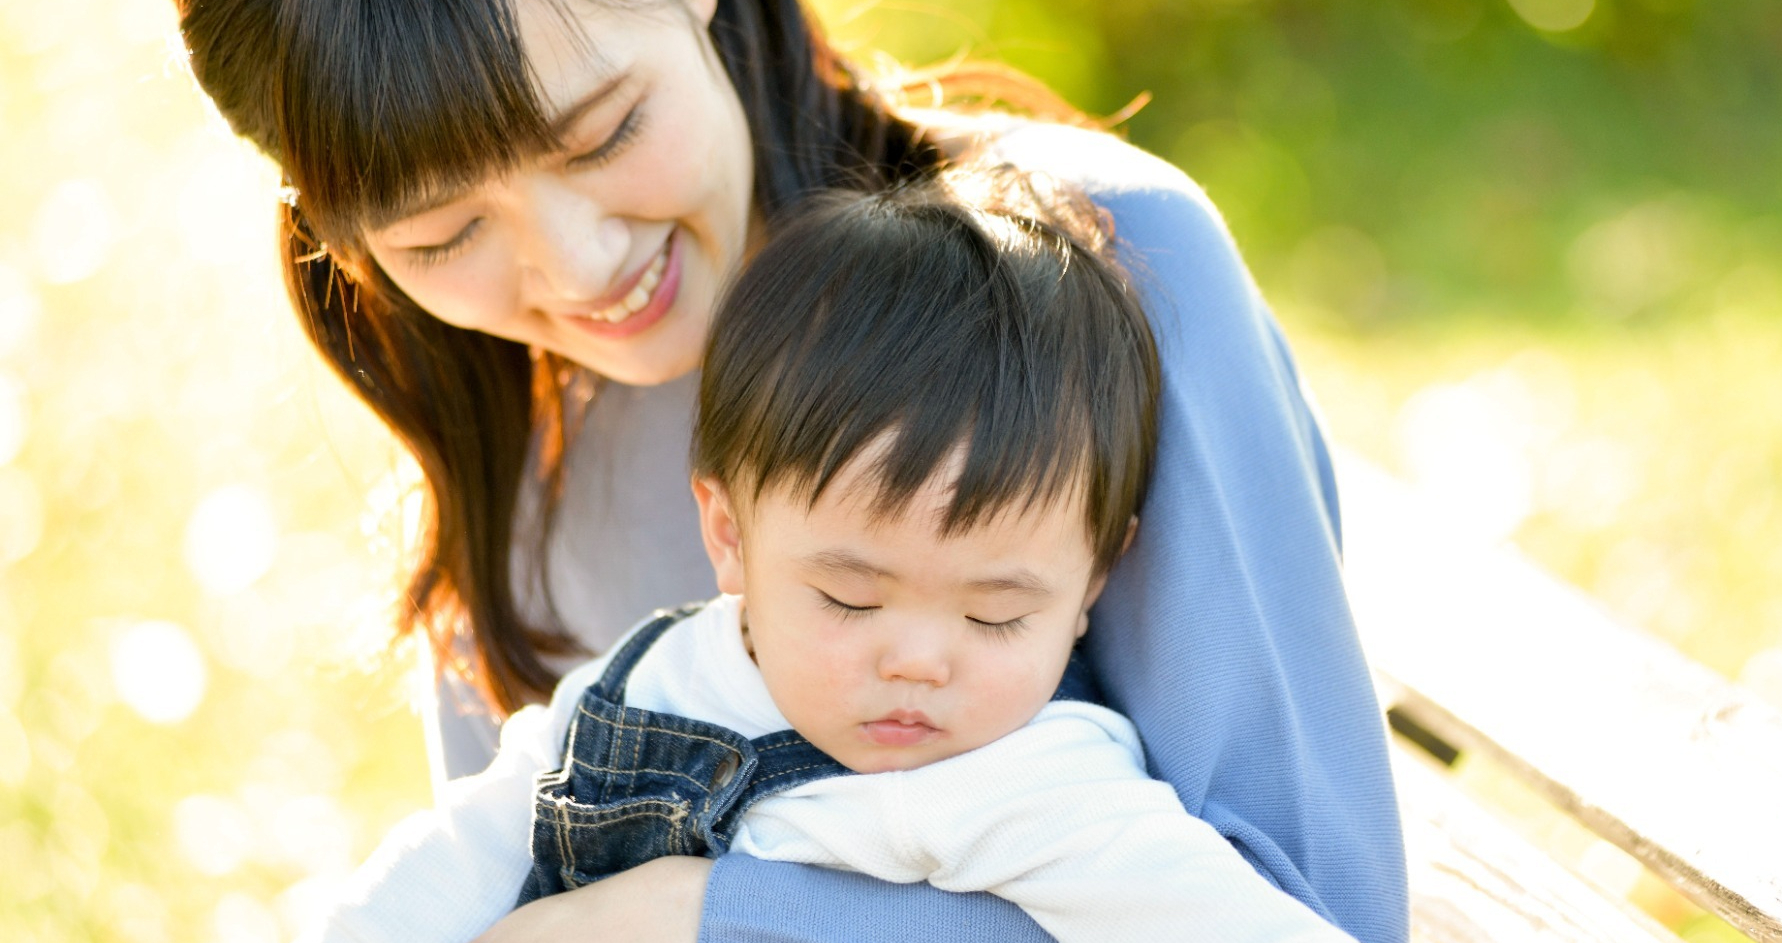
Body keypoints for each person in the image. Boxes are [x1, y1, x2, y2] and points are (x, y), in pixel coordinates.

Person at [175, 1, 1408, 941]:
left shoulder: (1094, 279)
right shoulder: (516, 451)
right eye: (443, 233)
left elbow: (1317, 912)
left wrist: (694, 913)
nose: (576, 265)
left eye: (606, 132)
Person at [309, 169, 1356, 943]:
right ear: (727, 536)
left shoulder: (1025, 785)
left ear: (1091, 585)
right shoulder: (646, 682)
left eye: (996, 615)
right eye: (848, 598)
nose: (915, 659)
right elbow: (473, 841)